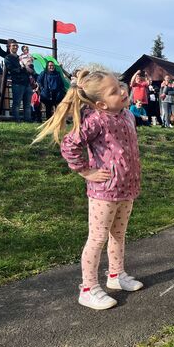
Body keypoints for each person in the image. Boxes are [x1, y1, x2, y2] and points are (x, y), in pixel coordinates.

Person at [33, 70, 143, 310]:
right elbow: (70, 144)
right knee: (97, 238)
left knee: (119, 235)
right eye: (115, 91)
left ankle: (116, 275)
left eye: (120, 86)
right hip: (104, 191)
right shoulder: (96, 119)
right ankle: (88, 288)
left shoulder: (127, 115)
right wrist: (85, 171)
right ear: (101, 103)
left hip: (126, 188)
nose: (123, 92)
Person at [4, 39, 33, 122]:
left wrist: (30, 68)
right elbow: (12, 69)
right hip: (17, 83)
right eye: (13, 45)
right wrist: (24, 68)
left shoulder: (21, 57)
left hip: (27, 83)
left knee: (27, 104)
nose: (15, 47)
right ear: (9, 47)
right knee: (16, 103)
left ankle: (28, 120)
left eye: (17, 45)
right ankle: (17, 120)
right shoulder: (8, 58)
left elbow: (30, 67)